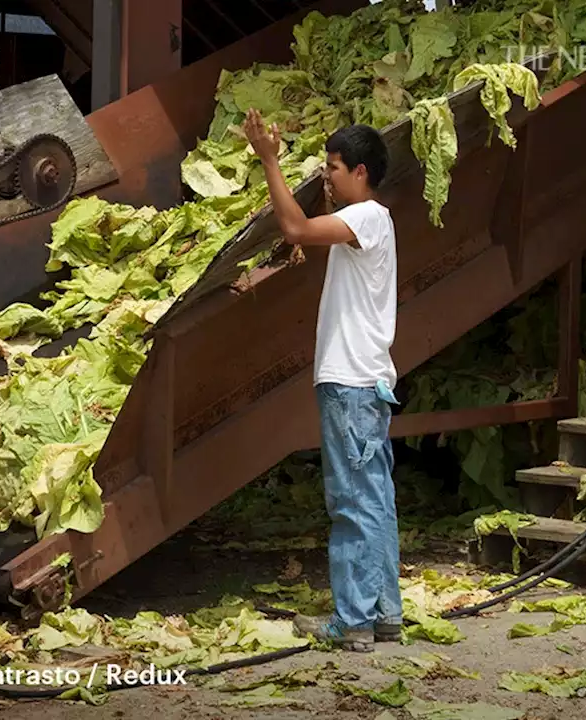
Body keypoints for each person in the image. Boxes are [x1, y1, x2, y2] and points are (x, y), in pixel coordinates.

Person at [242, 108, 402, 653]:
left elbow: (295, 228)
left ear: (360, 172)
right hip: (367, 385)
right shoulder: (368, 225)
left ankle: (352, 621)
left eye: (333, 168)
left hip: (351, 385)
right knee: (374, 500)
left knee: (352, 503)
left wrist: (269, 160)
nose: (326, 177)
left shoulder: (369, 219)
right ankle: (384, 615)